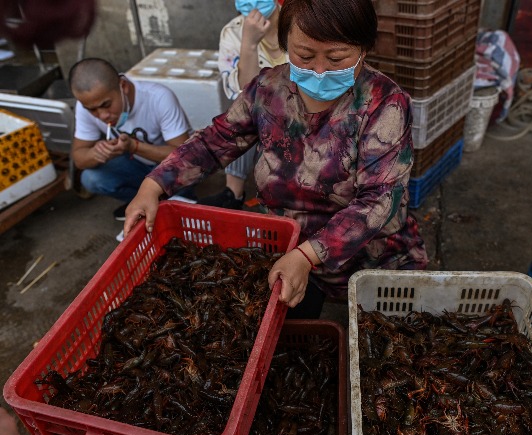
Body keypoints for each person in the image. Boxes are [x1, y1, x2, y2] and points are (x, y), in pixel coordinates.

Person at [124, 0, 427, 318]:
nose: (319, 71)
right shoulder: (268, 89)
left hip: (366, 256)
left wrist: (307, 257)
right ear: (284, 46)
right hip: (284, 245)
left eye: (336, 58)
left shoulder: (385, 104)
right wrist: (153, 185)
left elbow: (378, 201)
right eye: (305, 55)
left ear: (364, 50)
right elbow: (216, 141)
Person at [69, 58, 194, 220]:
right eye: (92, 110)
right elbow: (79, 158)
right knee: (91, 178)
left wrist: (134, 146)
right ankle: (141, 202)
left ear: (123, 87)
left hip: (169, 168)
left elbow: (184, 155)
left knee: (182, 168)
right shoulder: (86, 105)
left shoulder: (158, 97)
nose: (102, 115)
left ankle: (177, 200)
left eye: (106, 105)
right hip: (136, 165)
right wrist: (97, 153)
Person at [197, 0, 288, 210]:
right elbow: (243, 94)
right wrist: (249, 44)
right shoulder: (233, 32)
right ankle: (233, 192)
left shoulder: (300, 22)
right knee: (241, 115)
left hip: (301, 115)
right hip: (261, 114)